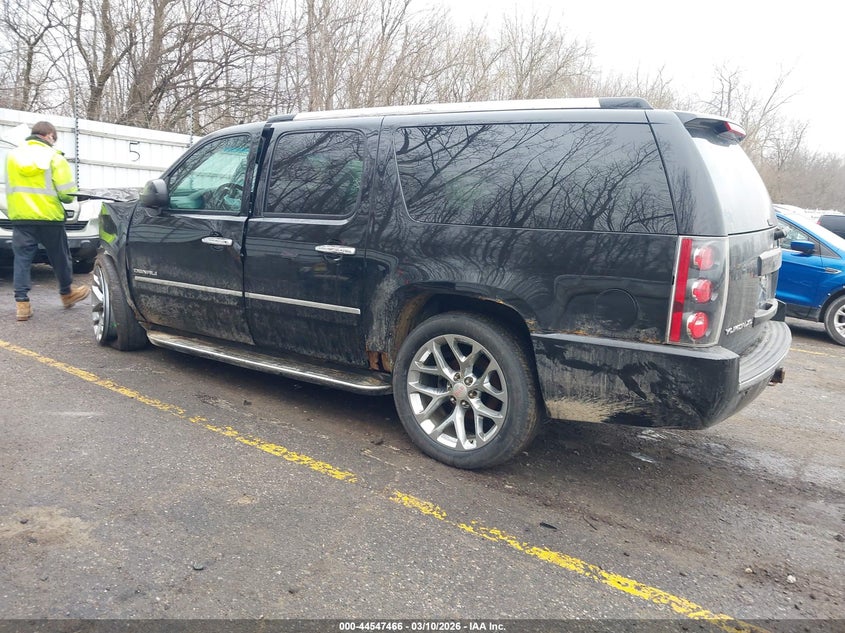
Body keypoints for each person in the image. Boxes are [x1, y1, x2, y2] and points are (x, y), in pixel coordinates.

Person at [5, 121, 90, 321]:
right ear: (50, 135)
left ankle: (22, 305)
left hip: (21, 216)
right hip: (49, 216)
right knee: (60, 257)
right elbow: (67, 194)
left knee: (22, 259)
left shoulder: (12, 156)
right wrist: (75, 196)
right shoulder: (54, 157)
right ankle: (67, 294)